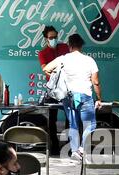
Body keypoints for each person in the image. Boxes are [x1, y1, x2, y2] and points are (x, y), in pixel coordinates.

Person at [44, 33, 102, 161]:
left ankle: (75, 151)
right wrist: (99, 98)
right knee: (90, 125)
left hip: (68, 96)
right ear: (81, 46)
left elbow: (46, 68)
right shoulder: (89, 60)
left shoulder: (63, 58)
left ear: (69, 46)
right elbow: (96, 82)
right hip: (85, 95)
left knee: (73, 124)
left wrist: (56, 73)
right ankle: (81, 149)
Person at [38, 25, 69, 155]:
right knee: (52, 119)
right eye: (51, 38)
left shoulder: (64, 48)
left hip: (67, 88)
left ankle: (69, 145)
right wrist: (57, 76)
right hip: (53, 90)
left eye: (55, 37)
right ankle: (54, 145)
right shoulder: (43, 53)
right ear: (46, 39)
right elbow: (46, 69)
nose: (54, 39)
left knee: (70, 116)